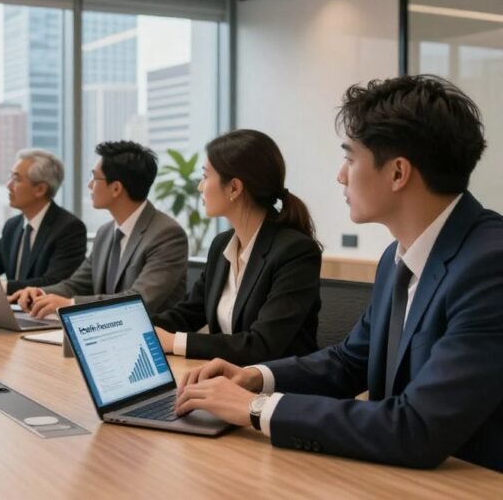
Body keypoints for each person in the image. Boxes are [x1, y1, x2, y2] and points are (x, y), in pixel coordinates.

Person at [175, 75, 503, 472]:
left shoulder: (489, 266)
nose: (340, 176)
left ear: (398, 173)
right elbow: (350, 363)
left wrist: (256, 409)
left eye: (349, 158)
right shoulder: (396, 258)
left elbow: (418, 427)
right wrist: (255, 378)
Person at [152, 130, 322, 365]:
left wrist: (174, 342)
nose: (200, 187)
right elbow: (187, 313)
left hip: (279, 392)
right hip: (228, 382)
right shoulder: (221, 245)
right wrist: (138, 330)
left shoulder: (295, 252)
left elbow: (262, 345)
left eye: (205, 176)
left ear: (234, 188)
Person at [12, 141, 187, 318]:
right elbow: (77, 284)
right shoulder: (105, 232)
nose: (89, 185)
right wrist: (40, 293)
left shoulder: (167, 235)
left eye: (94, 178)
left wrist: (70, 304)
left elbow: (137, 300)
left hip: (152, 339)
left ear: (116, 188)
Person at [0, 149, 86, 294]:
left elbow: (55, 281)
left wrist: (4, 287)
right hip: (12, 310)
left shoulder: (69, 228)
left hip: (44, 313)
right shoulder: (12, 226)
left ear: (40, 189)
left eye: (16, 179)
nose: (8, 185)